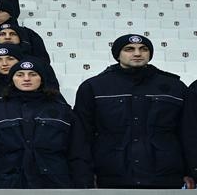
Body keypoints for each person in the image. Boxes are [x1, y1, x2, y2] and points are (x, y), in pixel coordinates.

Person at [73, 34, 197, 189]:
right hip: (111, 176)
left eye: (143, 49)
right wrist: (84, 176)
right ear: (118, 54)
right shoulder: (93, 87)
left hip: (166, 177)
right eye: (129, 49)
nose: (137, 53)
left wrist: (191, 172)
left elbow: (189, 134)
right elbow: (82, 137)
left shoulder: (175, 87)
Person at [0, 58, 92, 188]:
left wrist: (83, 185)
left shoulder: (63, 112)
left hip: (55, 183)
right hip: (8, 183)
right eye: (20, 75)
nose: (26, 79)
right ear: (12, 80)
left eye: (33, 74)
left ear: (42, 78)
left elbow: (78, 152)